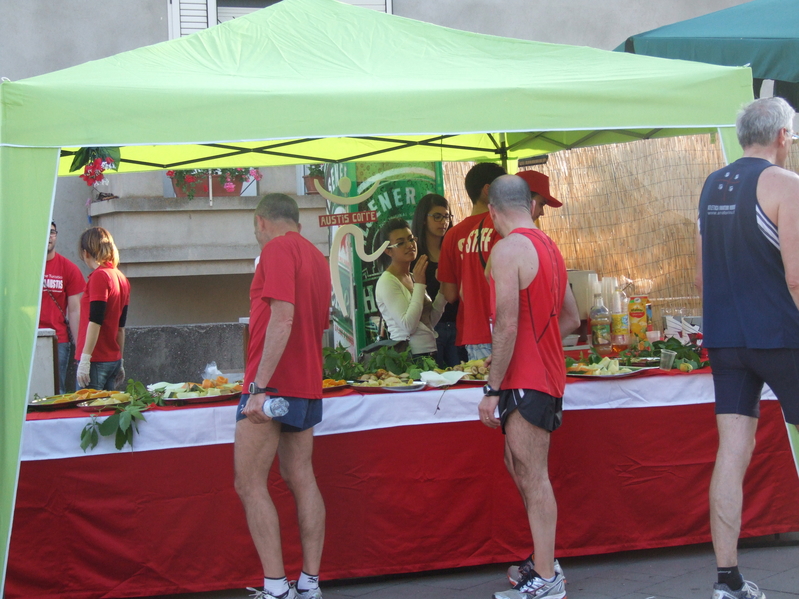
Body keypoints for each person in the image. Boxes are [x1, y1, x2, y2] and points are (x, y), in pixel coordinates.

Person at [695, 97, 799, 599]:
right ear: (782, 136)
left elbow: (702, 272)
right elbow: (797, 275)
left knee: (732, 453)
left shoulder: (711, 185)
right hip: (780, 335)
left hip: (725, 336)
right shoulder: (786, 184)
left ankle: (727, 580)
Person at [478, 175, 579, 599]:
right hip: (544, 373)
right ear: (529, 204)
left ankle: (548, 575)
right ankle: (543, 559)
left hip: (527, 379)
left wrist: (491, 387)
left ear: (492, 212)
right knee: (518, 463)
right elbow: (572, 317)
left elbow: (505, 323)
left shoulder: (508, 249)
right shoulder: (550, 247)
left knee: (533, 475)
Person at [235, 193, 332, 599]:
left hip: (272, 384)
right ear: (298, 220)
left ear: (261, 221)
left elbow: (283, 315)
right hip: (307, 380)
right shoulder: (317, 257)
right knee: (301, 478)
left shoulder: (276, 249)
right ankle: (309, 583)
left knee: (249, 483)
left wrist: (258, 386)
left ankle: (276, 587)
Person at [438, 162, 505, 361]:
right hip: (504, 323)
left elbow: (450, 295)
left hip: (471, 328)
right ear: (488, 190)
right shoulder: (502, 224)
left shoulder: (452, 235)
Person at [375, 217, 446, 357]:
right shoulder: (387, 281)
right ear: (388, 251)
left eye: (411, 239)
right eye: (400, 243)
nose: (410, 245)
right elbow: (408, 326)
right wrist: (420, 285)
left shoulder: (412, 276)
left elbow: (429, 321)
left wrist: (443, 287)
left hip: (429, 351)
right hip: (409, 356)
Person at [410, 194, 464, 367]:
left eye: (447, 216)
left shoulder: (455, 250)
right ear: (423, 219)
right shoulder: (415, 256)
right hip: (429, 331)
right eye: (437, 216)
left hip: (457, 325)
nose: (443, 222)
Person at [75, 227, 130, 391]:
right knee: (107, 413)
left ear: (86, 253)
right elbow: (120, 328)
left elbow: (95, 321)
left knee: (89, 415)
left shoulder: (100, 276)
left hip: (95, 359)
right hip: (112, 359)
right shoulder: (121, 278)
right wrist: (120, 360)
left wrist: (85, 359)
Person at [40, 221, 85, 394]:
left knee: (56, 390)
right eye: (44, 232)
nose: (48, 236)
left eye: (52, 232)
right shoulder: (26, 267)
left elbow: (74, 311)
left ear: (56, 236)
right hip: (29, 338)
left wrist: (79, 348)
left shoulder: (69, 269)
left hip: (58, 340)